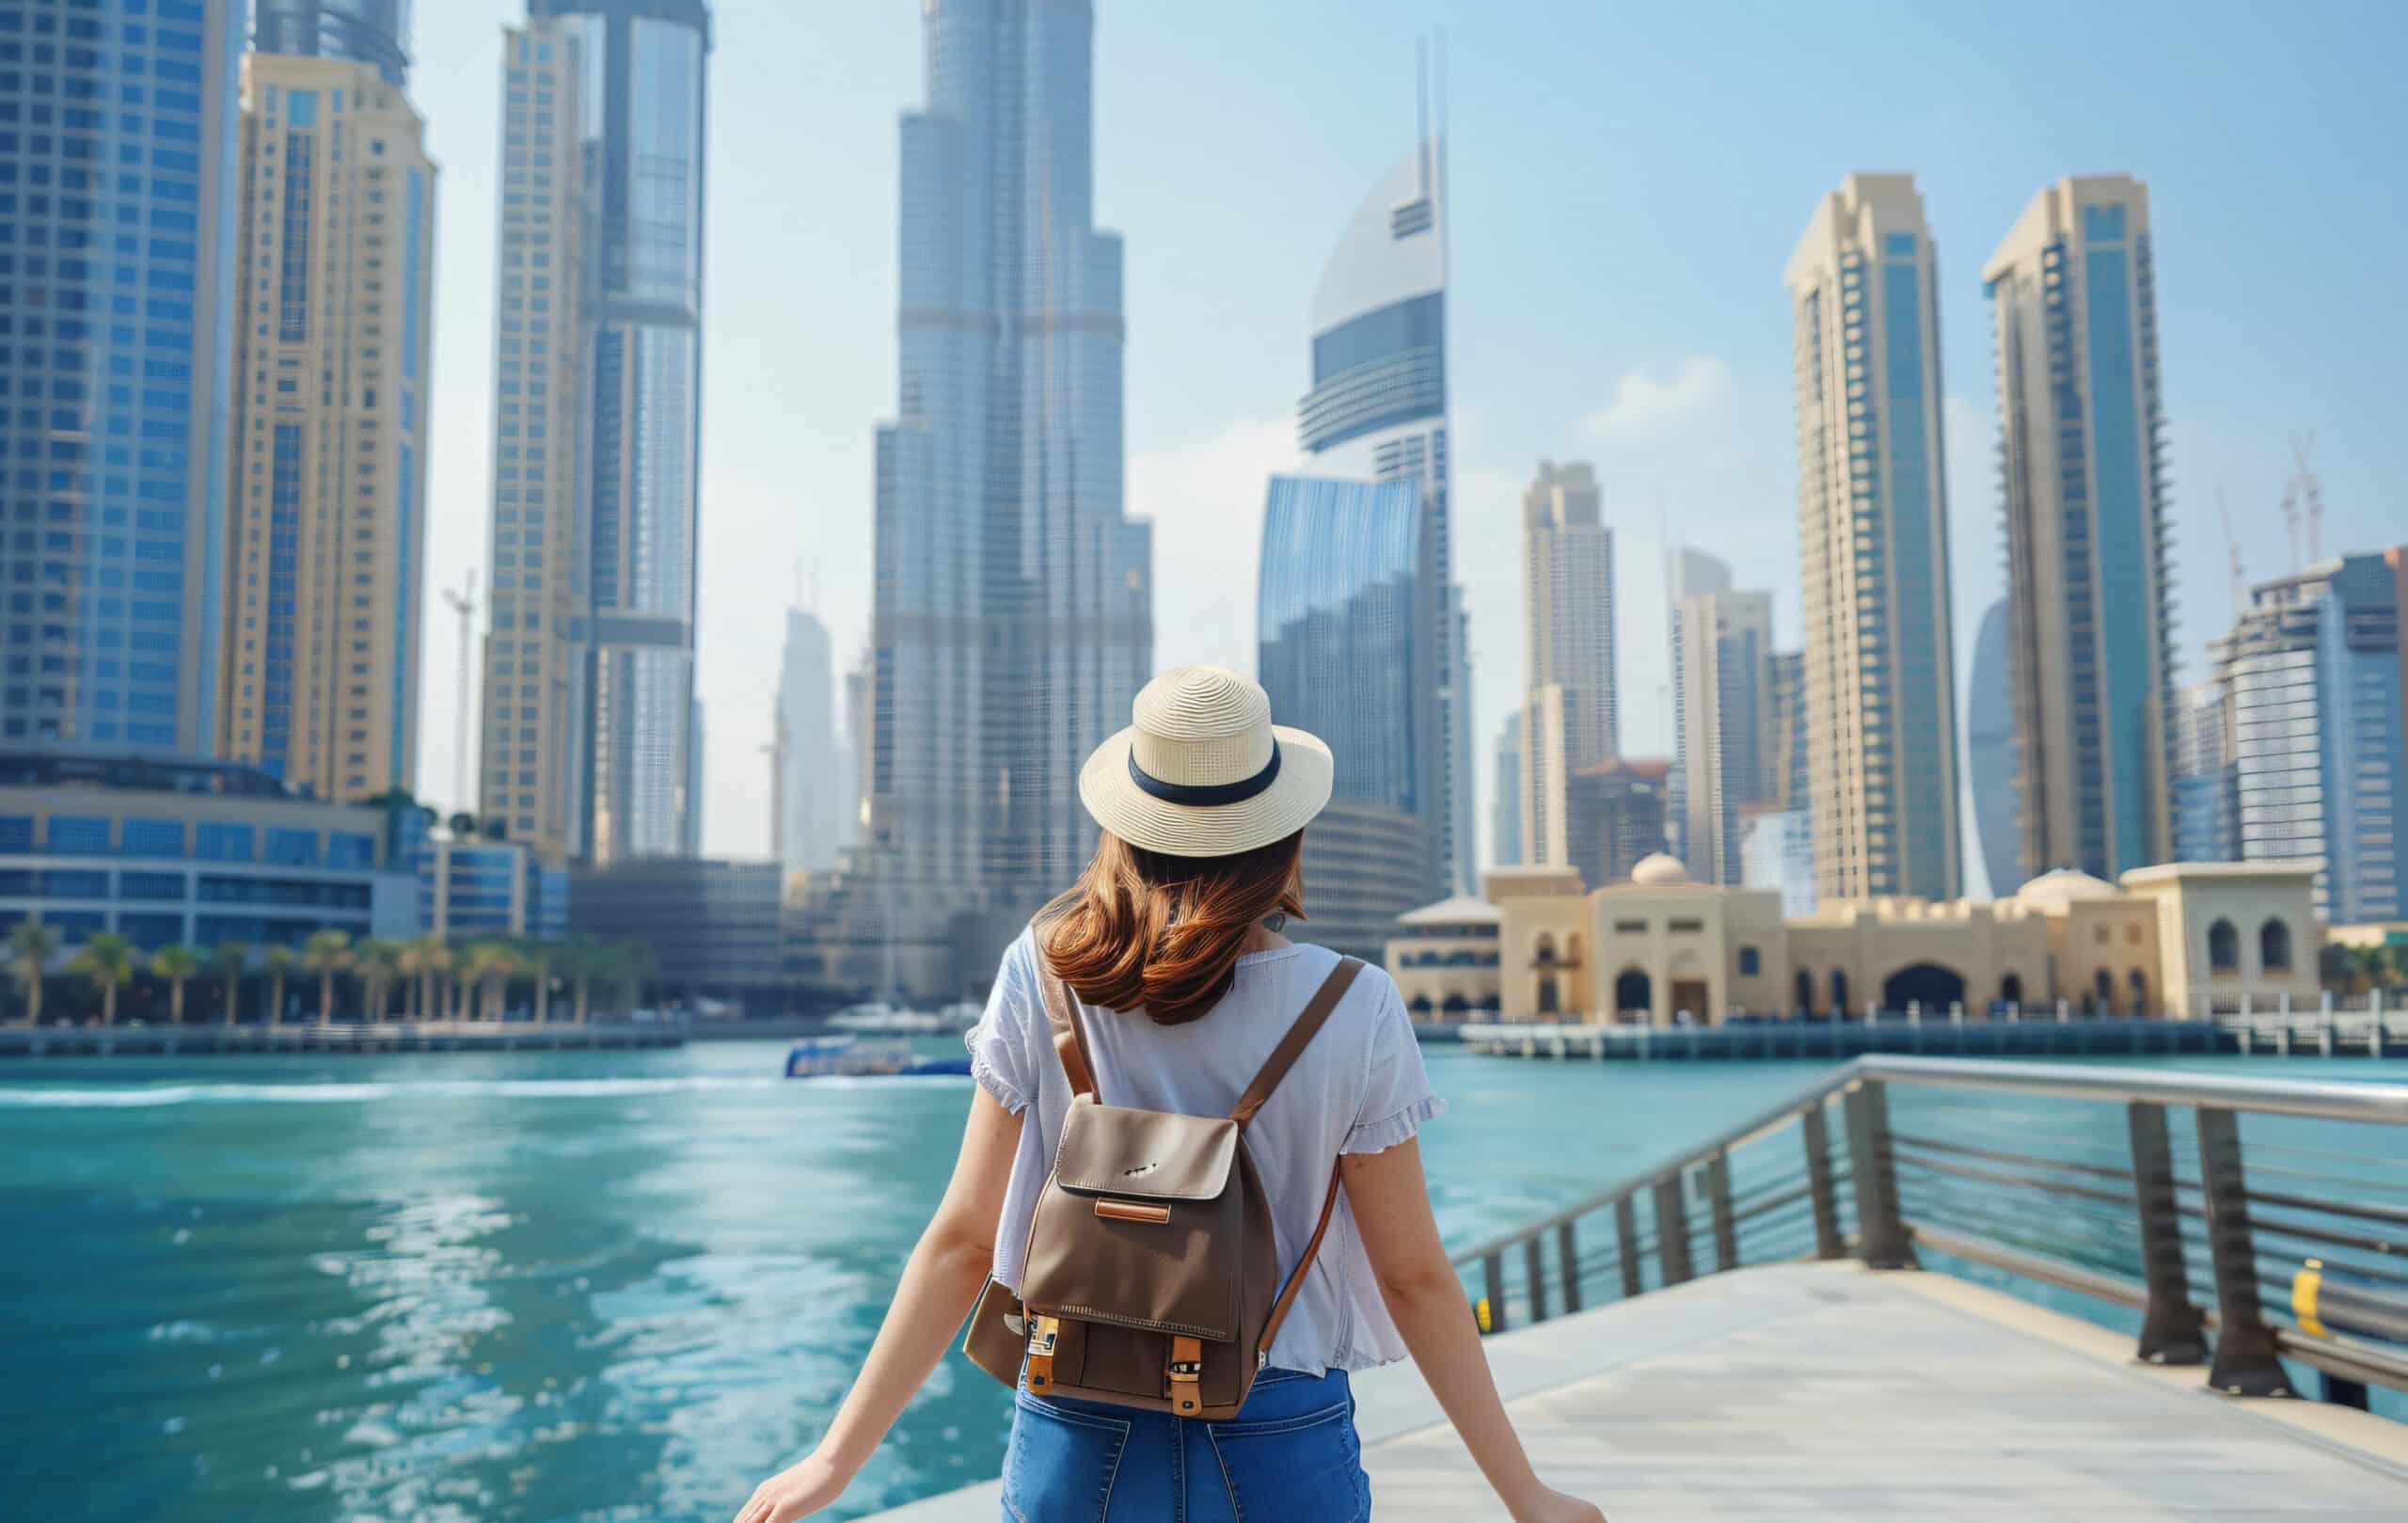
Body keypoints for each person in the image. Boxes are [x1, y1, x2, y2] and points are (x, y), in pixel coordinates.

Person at [736, 666, 1608, 1523]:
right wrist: (1523, 1494)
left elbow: (962, 1240)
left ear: (1126, 827)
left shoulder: (1041, 973)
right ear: (1284, 836)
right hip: (1280, 1432)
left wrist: (833, 1459)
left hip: (1076, 1424)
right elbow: (1413, 1277)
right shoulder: (1355, 1004)